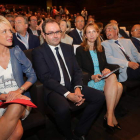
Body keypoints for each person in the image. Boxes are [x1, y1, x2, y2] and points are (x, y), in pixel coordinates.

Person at [32, 18, 105, 140]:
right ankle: (68, 135)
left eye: (58, 31)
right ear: (44, 35)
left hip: (71, 84)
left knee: (100, 97)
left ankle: (79, 131)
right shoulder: (38, 52)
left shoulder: (68, 48)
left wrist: (77, 88)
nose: (56, 35)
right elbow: (46, 78)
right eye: (51, 33)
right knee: (63, 108)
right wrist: (67, 94)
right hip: (53, 89)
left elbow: (77, 70)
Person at [76, 23, 123, 133]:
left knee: (116, 81)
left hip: (102, 77)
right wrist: (91, 76)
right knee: (119, 86)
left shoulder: (101, 48)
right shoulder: (80, 50)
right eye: (89, 32)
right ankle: (110, 117)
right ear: (85, 35)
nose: (91, 35)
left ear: (97, 34)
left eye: (94, 32)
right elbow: (78, 70)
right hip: (91, 80)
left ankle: (109, 115)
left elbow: (104, 64)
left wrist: (106, 69)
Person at [0, 15, 37, 140]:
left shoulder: (16, 51)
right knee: (16, 132)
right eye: (4, 31)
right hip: (1, 101)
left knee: (16, 104)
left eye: (10, 30)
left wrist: (18, 91)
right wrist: (4, 97)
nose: (10, 34)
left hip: (20, 100)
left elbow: (32, 74)